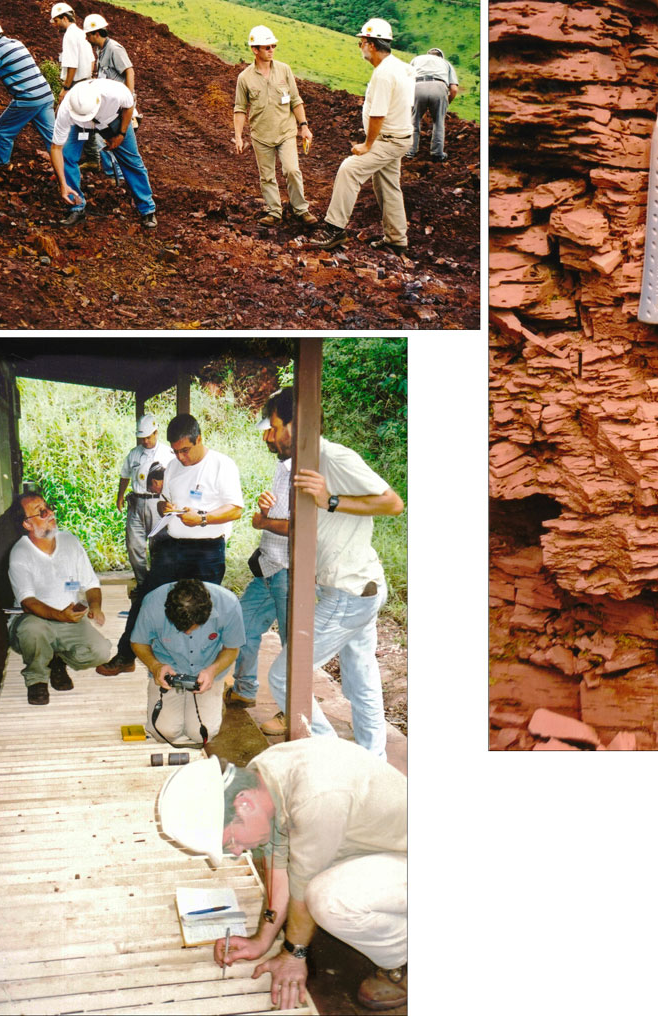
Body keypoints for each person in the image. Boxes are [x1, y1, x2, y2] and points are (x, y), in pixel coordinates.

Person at [156, 740, 408, 1012]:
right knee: (312, 879)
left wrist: (293, 953)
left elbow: (302, 887)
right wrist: (263, 938)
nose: (239, 851)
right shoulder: (261, 776)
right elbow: (279, 858)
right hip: (379, 843)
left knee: (328, 900)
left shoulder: (316, 796)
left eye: (231, 843)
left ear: (243, 805)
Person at [255, 387, 404, 760]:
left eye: (273, 427)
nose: (268, 436)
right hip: (358, 586)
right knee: (360, 677)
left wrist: (331, 500)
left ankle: (336, 760)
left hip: (349, 592)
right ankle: (373, 760)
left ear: (296, 423)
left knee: (284, 677)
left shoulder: (333, 457)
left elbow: (392, 503)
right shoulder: (305, 463)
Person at [98, 412, 243, 674]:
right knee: (146, 597)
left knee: (203, 608)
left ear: (199, 438)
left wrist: (202, 518)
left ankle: (204, 667)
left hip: (207, 550)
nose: (180, 457)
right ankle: (126, 656)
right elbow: (165, 499)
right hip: (174, 545)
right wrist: (165, 506)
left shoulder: (222, 465)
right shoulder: (174, 465)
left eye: (185, 450)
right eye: (176, 451)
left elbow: (235, 510)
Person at [304, 18, 415, 257]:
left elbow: (378, 114)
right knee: (387, 184)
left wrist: (368, 144)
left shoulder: (384, 74)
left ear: (371, 45)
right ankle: (397, 241)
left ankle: (334, 229)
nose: (360, 47)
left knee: (349, 169)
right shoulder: (401, 67)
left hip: (389, 139)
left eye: (361, 42)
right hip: (401, 135)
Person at [6, 492, 114, 706]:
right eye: (41, 512)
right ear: (27, 524)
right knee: (33, 631)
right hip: (34, 620)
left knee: (101, 652)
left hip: (68, 620)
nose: (50, 513)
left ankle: (56, 659)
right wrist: (59, 616)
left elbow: (91, 583)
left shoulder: (70, 541)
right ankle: (36, 679)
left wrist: (95, 605)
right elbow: (28, 602)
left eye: (48, 507)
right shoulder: (20, 553)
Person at [130, 578, 246, 746]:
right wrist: (155, 666)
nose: (186, 632)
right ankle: (185, 705)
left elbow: (232, 648)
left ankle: (213, 702)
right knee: (163, 733)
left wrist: (213, 670)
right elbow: (138, 642)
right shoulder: (152, 603)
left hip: (208, 669)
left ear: (207, 612)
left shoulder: (228, 604)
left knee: (201, 734)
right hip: (169, 670)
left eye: (194, 627)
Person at [229, 408, 292, 707]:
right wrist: (266, 513)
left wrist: (262, 522)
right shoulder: (282, 467)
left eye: (271, 430)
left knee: (291, 646)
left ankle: (293, 710)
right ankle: (244, 689)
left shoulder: (302, 471)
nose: (267, 438)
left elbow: (303, 527)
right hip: (268, 568)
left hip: (289, 572)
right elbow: (280, 518)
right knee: (242, 626)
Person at [232, 25, 317, 228]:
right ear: (255, 49)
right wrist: (238, 136)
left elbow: (296, 100)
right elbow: (240, 109)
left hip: (286, 132)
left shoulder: (284, 70)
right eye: (267, 47)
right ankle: (274, 211)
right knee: (267, 176)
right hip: (261, 135)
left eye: (273, 46)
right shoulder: (244, 78)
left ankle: (301, 209)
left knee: (292, 170)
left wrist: (304, 126)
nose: (271, 50)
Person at [49, 77, 158, 229]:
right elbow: (56, 149)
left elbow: (129, 106)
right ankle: (76, 206)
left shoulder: (114, 92)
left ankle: (147, 209)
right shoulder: (67, 110)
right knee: (67, 156)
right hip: (79, 127)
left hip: (112, 119)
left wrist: (120, 134)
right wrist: (62, 184)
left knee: (131, 161)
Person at [0, 19, 55, 170]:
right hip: (45, 94)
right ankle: (66, 169)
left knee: (3, 130)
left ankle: (2, 166)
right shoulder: (16, 43)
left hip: (28, 99)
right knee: (53, 138)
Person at [115, 413, 174, 592]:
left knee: (159, 546)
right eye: (142, 438)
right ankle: (142, 583)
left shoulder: (168, 454)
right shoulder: (134, 454)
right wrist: (120, 496)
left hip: (158, 504)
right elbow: (125, 475)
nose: (145, 441)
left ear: (156, 433)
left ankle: (158, 585)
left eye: (148, 437)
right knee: (134, 547)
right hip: (136, 503)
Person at [50, 2, 105, 173]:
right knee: (86, 121)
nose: (55, 24)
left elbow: (71, 65)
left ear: (64, 18)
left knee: (66, 116)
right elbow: (92, 60)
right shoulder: (82, 34)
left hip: (76, 83)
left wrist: (66, 88)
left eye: (56, 20)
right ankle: (92, 158)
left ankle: (66, 155)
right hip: (86, 80)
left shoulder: (69, 36)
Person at [83, 13, 134, 181]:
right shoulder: (101, 49)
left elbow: (129, 71)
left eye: (88, 34)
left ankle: (117, 175)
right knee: (102, 139)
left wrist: (129, 98)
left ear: (96, 34)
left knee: (108, 140)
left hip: (118, 105)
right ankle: (114, 174)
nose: (86, 38)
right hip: (106, 103)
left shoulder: (114, 48)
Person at [407, 47, 459, 162]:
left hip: (418, 85)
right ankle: (437, 153)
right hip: (439, 87)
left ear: (428, 54)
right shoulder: (446, 63)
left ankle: (410, 151)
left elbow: (406, 79)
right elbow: (454, 89)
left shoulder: (417, 59)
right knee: (438, 122)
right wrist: (445, 104)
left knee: (414, 121)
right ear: (440, 57)